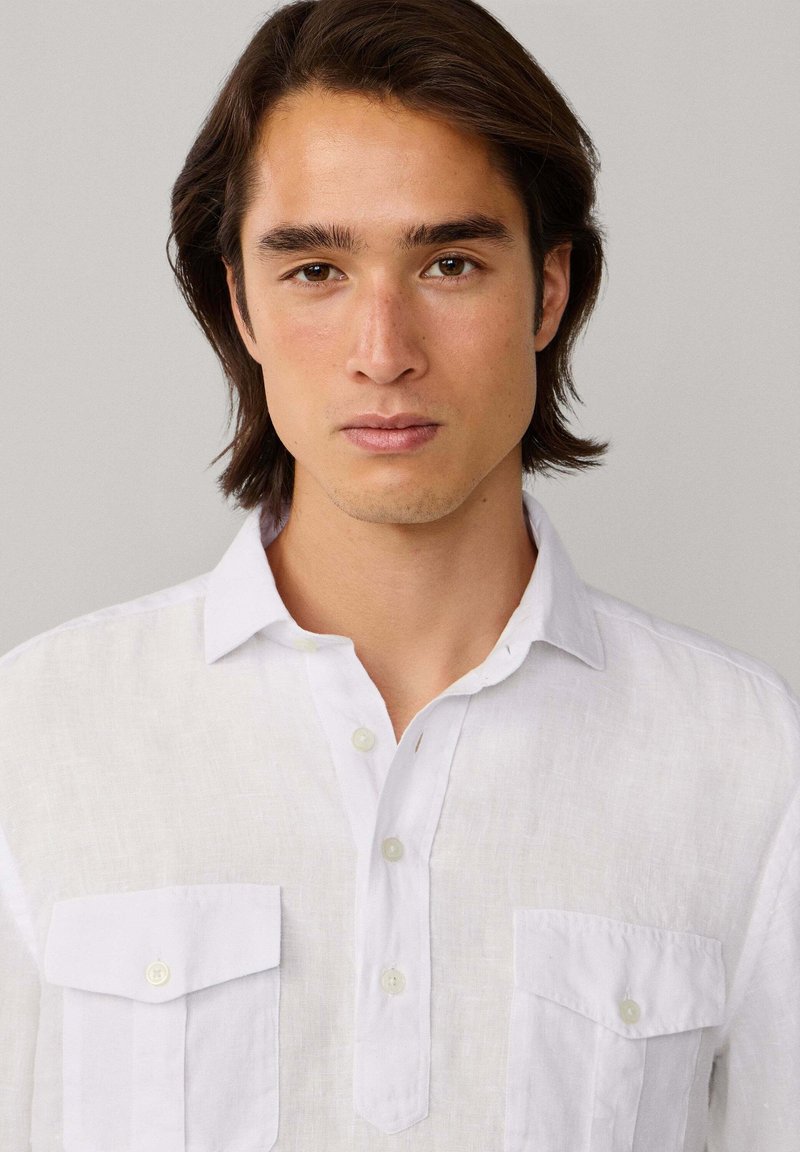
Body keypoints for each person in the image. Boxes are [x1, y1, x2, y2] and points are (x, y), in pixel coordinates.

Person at [1, 0, 797, 1147]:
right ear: (240, 303)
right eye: (315, 269)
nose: (383, 350)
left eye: (449, 262)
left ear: (548, 292)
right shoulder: (36, 735)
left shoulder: (745, 758)